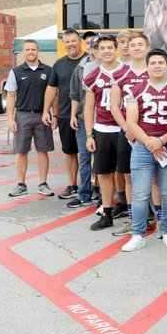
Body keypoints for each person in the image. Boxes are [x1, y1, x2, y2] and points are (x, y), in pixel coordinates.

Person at [122, 48, 167, 252]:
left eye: (160, 63)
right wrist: (150, 142)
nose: (157, 66)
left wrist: (162, 140)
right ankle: (138, 234)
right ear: (147, 66)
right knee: (140, 193)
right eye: (153, 63)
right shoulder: (135, 89)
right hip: (143, 147)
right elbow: (131, 121)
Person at [109, 33, 151, 237]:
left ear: (147, 47)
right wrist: (127, 128)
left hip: (150, 132)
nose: (136, 48)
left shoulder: (155, 71)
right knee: (128, 176)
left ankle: (154, 217)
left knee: (155, 180)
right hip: (127, 132)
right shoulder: (120, 74)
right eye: (132, 44)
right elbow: (114, 106)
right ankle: (133, 219)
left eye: (140, 44)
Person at [83, 34, 124, 230]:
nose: (106, 51)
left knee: (128, 173)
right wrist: (89, 134)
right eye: (103, 48)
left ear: (116, 49)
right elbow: (89, 107)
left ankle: (132, 209)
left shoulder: (128, 71)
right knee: (105, 173)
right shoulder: (92, 76)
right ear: (96, 52)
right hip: (103, 129)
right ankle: (107, 212)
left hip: (125, 129)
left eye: (110, 47)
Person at [5, 39, 54, 197]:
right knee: (21, 151)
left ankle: (43, 184)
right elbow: (11, 96)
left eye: (33, 49)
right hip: (22, 116)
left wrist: (56, 115)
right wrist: (10, 119)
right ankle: (21, 184)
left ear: (38, 50)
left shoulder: (48, 71)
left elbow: (54, 95)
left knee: (42, 150)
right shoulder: (16, 72)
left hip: (42, 116)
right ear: (23, 52)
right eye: (27, 49)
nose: (30, 52)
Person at [43, 29, 86, 200]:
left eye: (73, 41)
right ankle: (72, 185)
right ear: (63, 44)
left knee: (88, 154)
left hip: (87, 116)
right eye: (67, 42)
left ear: (80, 41)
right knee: (70, 152)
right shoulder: (59, 64)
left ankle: (92, 186)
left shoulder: (88, 61)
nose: (71, 45)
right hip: (65, 116)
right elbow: (52, 88)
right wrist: (48, 111)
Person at [68, 32, 97, 208]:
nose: (93, 49)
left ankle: (101, 193)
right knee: (85, 159)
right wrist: (73, 115)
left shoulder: (109, 68)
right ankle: (84, 193)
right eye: (90, 45)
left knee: (101, 161)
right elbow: (75, 95)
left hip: (102, 121)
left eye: (96, 46)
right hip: (82, 120)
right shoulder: (79, 68)